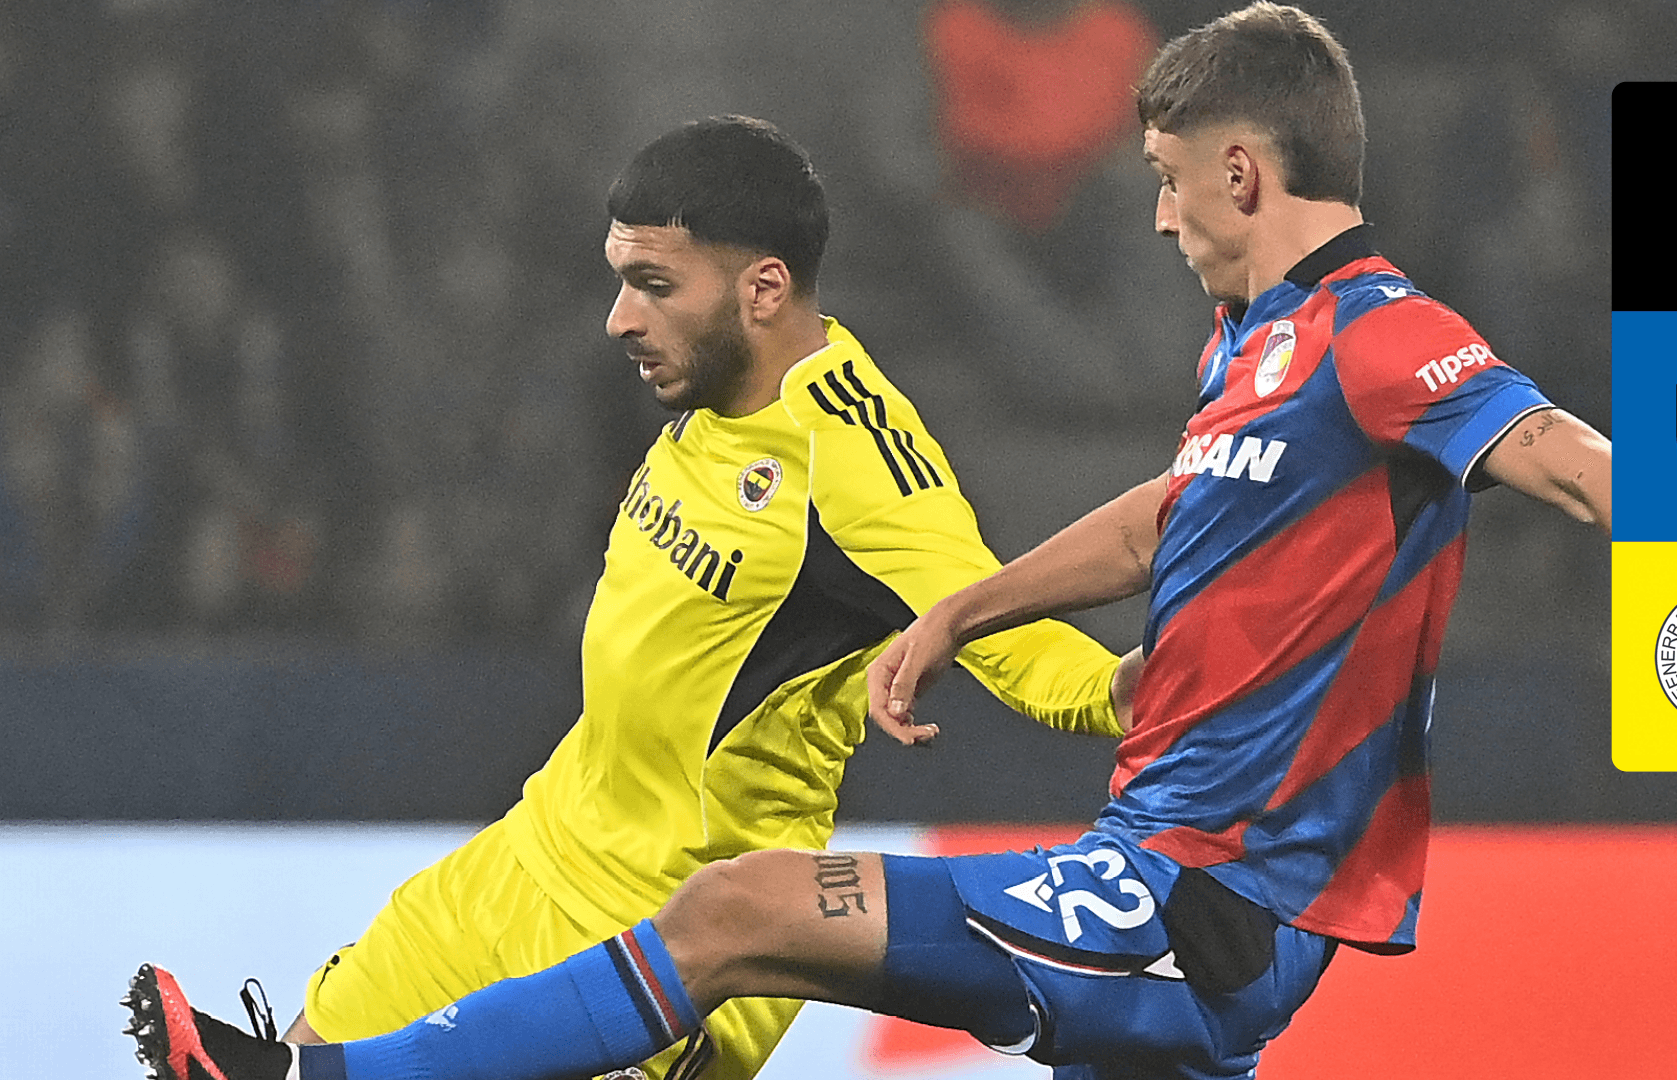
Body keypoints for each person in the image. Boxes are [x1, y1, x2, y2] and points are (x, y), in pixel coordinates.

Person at [125, 6, 1616, 1078]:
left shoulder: (1376, 333)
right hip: (1091, 860)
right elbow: (1171, 510)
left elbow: (1562, 457)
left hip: (1208, 893)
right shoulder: (1253, 347)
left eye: (1168, 180)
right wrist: (963, 617)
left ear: (1241, 173)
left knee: (731, 914)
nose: (1157, 218)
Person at [126, 114, 1137, 1080]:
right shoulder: (712, 385)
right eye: (621, 280)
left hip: (669, 938)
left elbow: (1011, 637)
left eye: (654, 285)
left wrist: (1146, 690)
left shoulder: (854, 459)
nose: (620, 318)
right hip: (527, 854)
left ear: (764, 289)